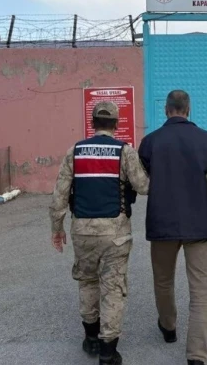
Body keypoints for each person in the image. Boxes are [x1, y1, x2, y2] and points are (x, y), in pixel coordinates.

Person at [49, 101, 150, 365]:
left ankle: (90, 338)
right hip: (115, 232)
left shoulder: (75, 151)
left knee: (87, 282)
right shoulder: (125, 152)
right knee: (113, 287)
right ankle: (108, 351)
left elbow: (59, 195)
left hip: (82, 230)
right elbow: (143, 186)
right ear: (116, 125)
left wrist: (57, 229)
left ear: (93, 123)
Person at [138, 90, 207, 365]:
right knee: (200, 290)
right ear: (188, 109)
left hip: (162, 222)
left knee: (163, 281)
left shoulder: (150, 142)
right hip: (199, 224)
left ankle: (169, 327)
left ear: (166, 110)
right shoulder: (206, 139)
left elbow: (144, 175)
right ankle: (197, 355)